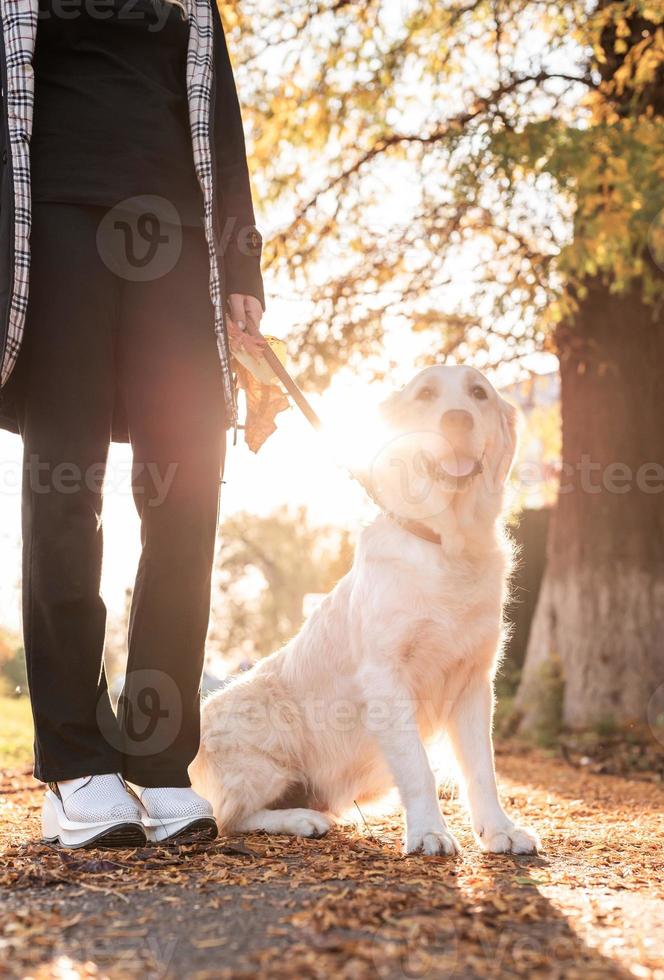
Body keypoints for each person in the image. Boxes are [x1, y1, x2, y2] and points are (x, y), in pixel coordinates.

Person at [0, 0, 265, 847]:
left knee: (187, 497)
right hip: (57, 227)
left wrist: (243, 269)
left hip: (181, 240)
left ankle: (156, 759)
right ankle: (76, 763)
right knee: (66, 486)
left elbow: (220, 119)